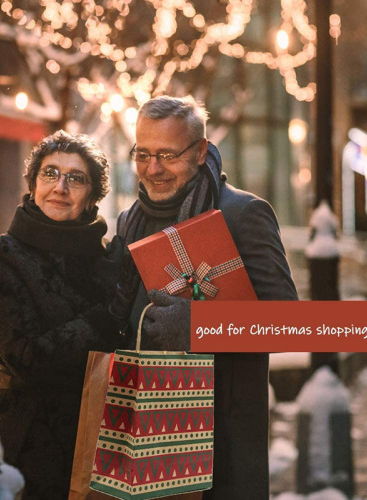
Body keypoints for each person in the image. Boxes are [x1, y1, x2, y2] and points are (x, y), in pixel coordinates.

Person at [109, 95, 298, 500]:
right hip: (141, 435)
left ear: (199, 152)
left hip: (221, 449)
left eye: (167, 155)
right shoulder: (128, 222)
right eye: (142, 153)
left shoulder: (243, 213)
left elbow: (291, 325)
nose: (153, 168)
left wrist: (197, 328)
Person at [0, 131, 120, 499]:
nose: (60, 186)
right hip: (29, 442)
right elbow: (24, 358)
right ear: (33, 184)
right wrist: (101, 321)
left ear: (92, 197)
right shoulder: (2, 256)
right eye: (50, 173)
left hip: (105, 439)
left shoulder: (107, 261)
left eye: (76, 178)